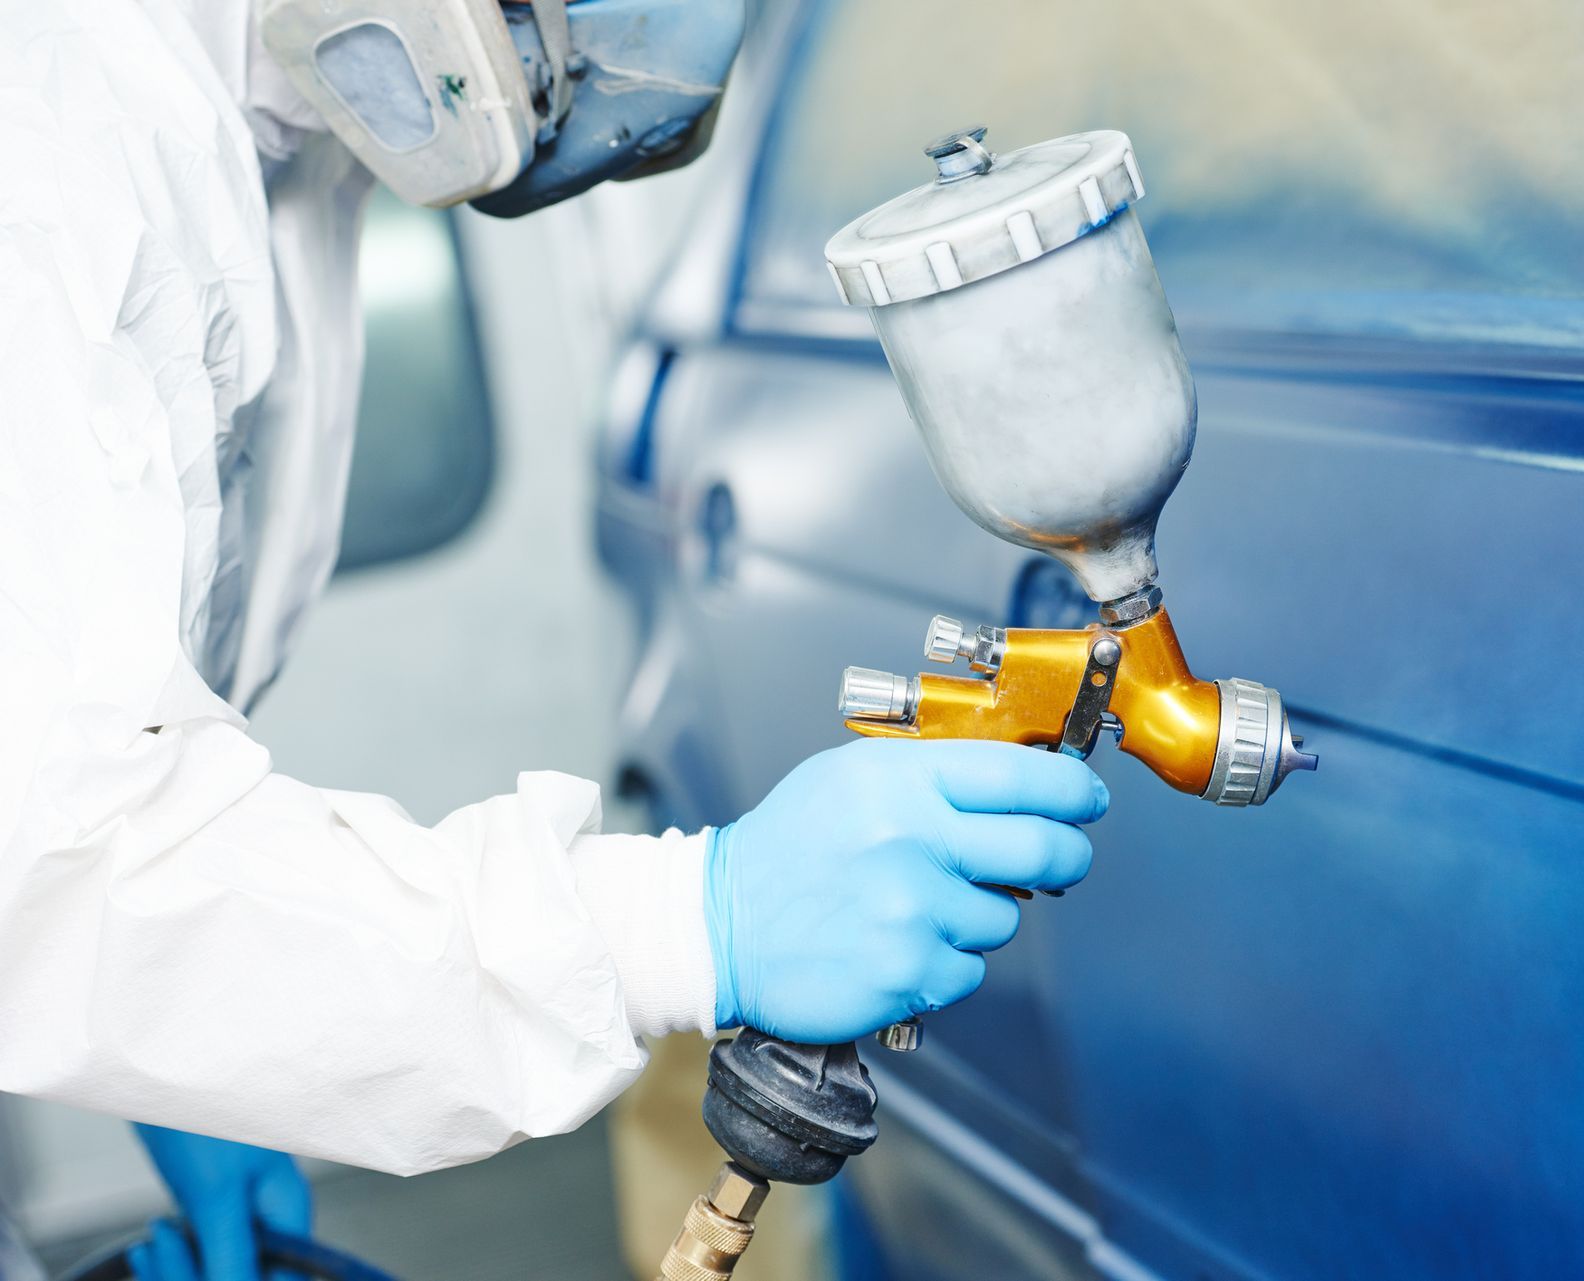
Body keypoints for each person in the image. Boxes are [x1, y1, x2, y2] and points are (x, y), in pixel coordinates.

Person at [0, 2, 1107, 1276]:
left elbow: (95, 734)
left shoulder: (278, 127)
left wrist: (189, 1055)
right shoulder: (52, 141)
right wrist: (681, 924)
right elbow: (53, 857)